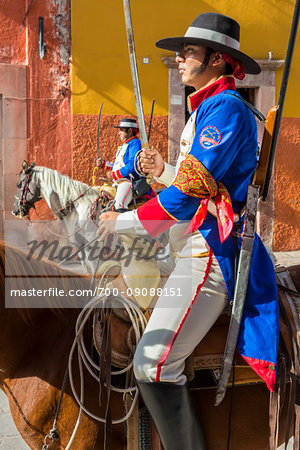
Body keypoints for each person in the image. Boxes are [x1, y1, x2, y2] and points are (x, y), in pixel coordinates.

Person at [97, 12, 279, 449]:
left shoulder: (226, 108)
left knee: (153, 363)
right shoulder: (209, 106)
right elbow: (196, 185)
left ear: (217, 59)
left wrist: (119, 223)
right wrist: (164, 170)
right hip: (193, 238)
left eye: (189, 51)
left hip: (212, 251)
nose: (179, 58)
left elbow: (185, 199)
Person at [96, 118, 153, 212]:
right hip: (118, 182)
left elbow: (132, 164)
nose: (119, 133)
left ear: (130, 131)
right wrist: (104, 165)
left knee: (119, 204)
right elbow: (120, 165)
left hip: (128, 181)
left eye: (121, 130)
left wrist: (114, 174)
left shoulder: (135, 143)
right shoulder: (124, 145)